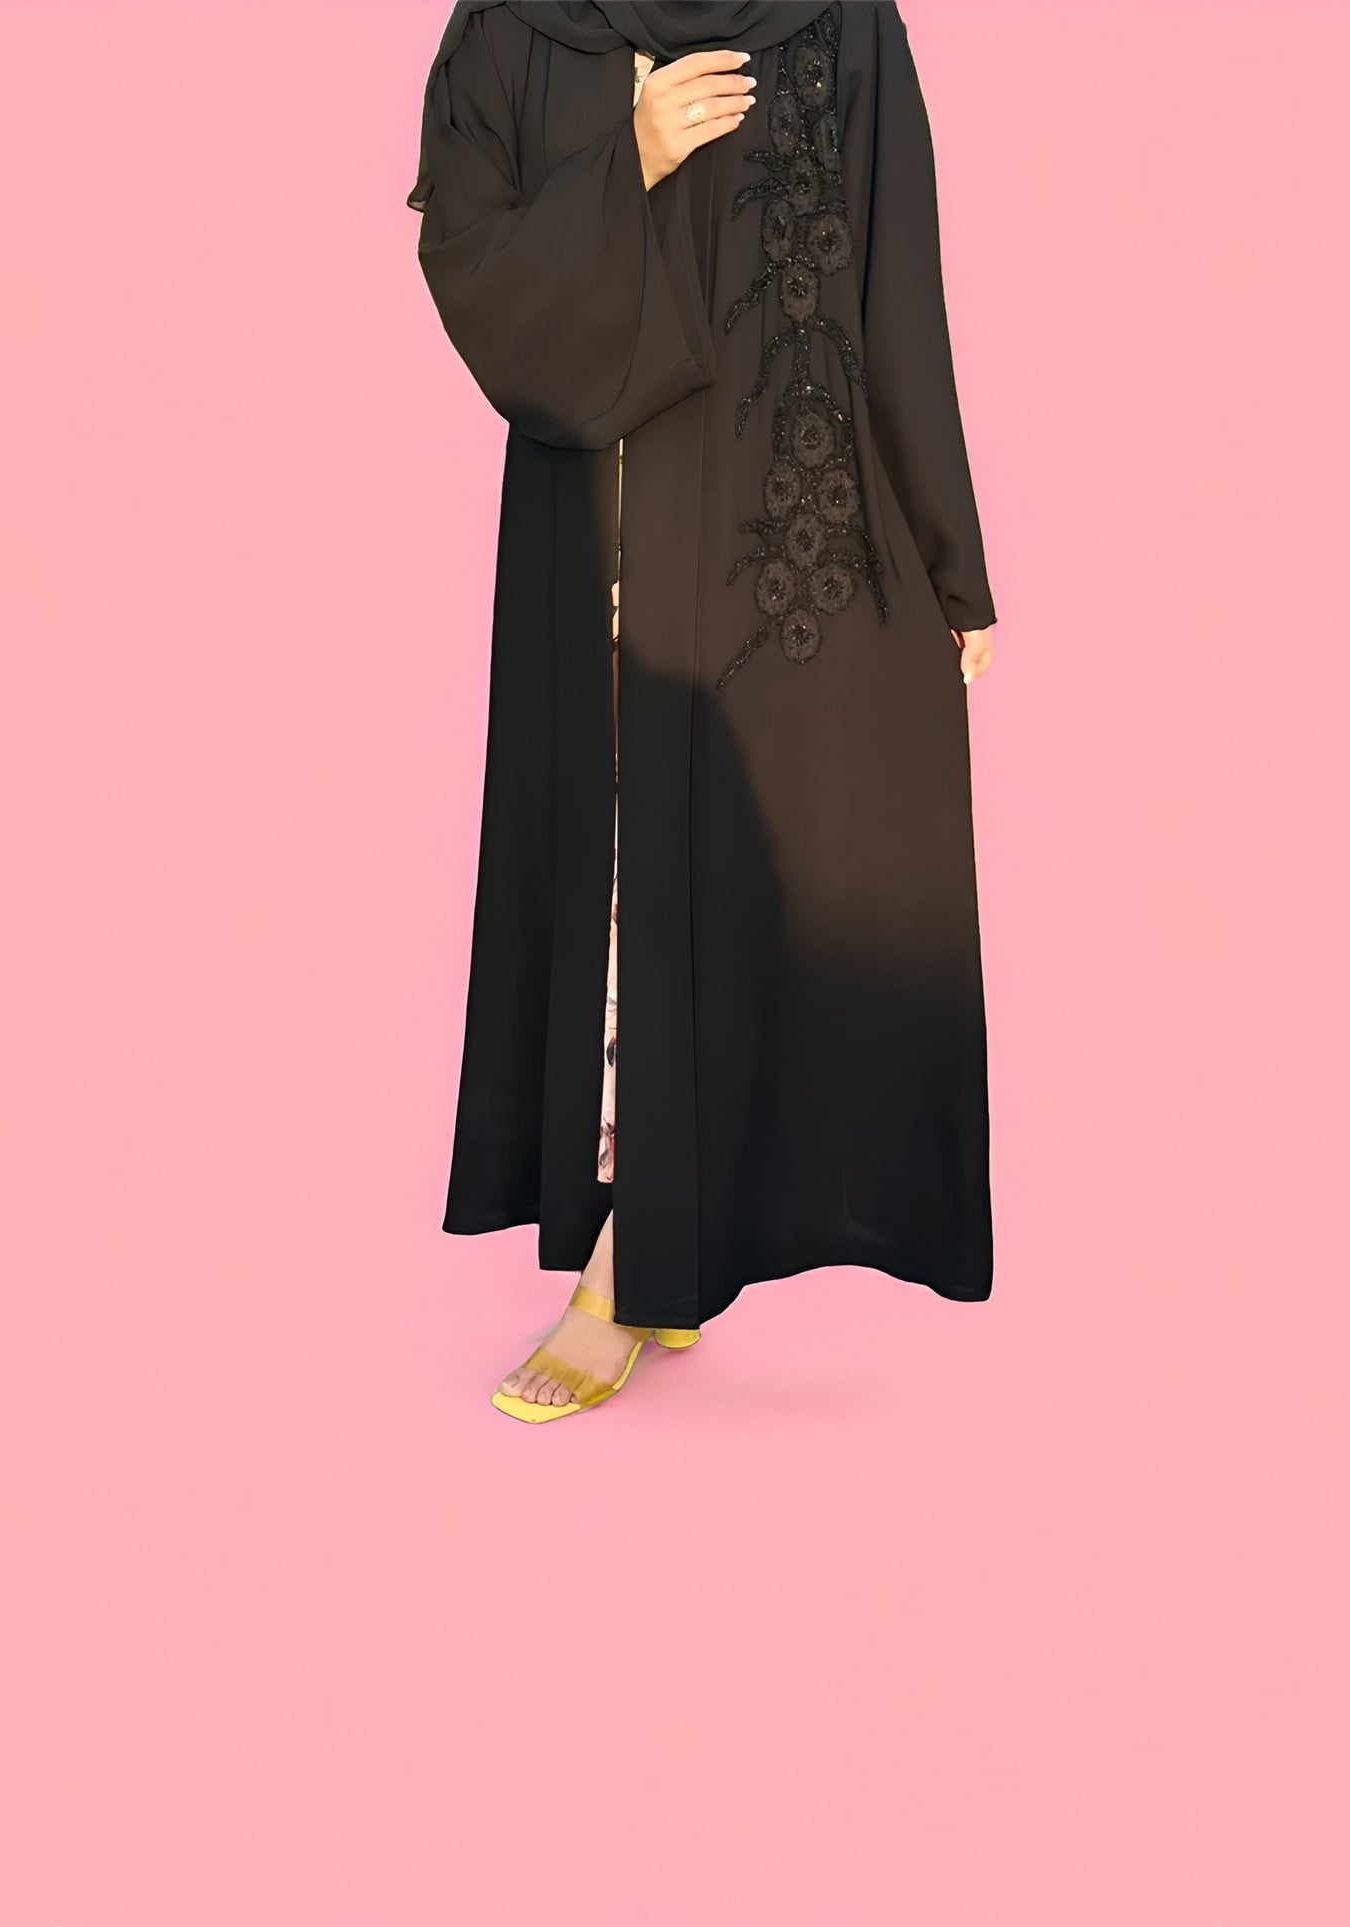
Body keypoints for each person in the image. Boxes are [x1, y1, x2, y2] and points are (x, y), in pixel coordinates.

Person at [407, 0, 999, 1422]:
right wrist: (625, 158)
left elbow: (896, 291)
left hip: (782, 533)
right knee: (620, 879)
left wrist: (948, 558)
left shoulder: (837, 21)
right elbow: (464, 257)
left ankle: (651, 1257)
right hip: (599, 533)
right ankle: (639, 1256)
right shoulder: (514, 27)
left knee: (740, 885)